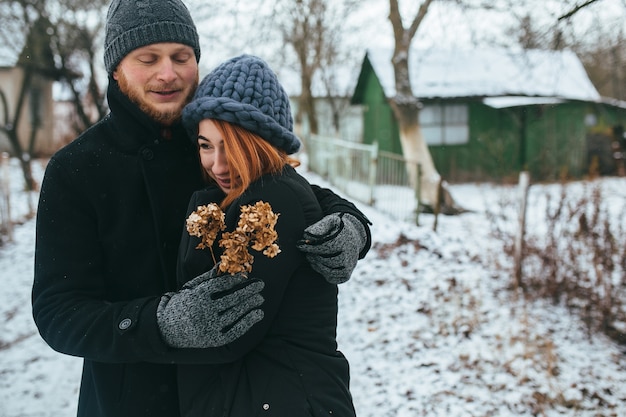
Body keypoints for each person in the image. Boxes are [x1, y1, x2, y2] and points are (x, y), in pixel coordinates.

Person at [31, 1, 370, 416]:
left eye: (181, 57)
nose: (168, 73)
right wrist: (159, 322)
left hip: (230, 397)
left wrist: (353, 226)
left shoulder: (213, 145)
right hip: (130, 401)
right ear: (116, 69)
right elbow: (58, 312)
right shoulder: (76, 169)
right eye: (148, 58)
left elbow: (289, 186)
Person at [157, 53, 357, 417]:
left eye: (230, 147)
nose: (217, 165)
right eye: (205, 145)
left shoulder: (271, 203)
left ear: (261, 144)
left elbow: (228, 330)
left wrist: (156, 326)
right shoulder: (245, 194)